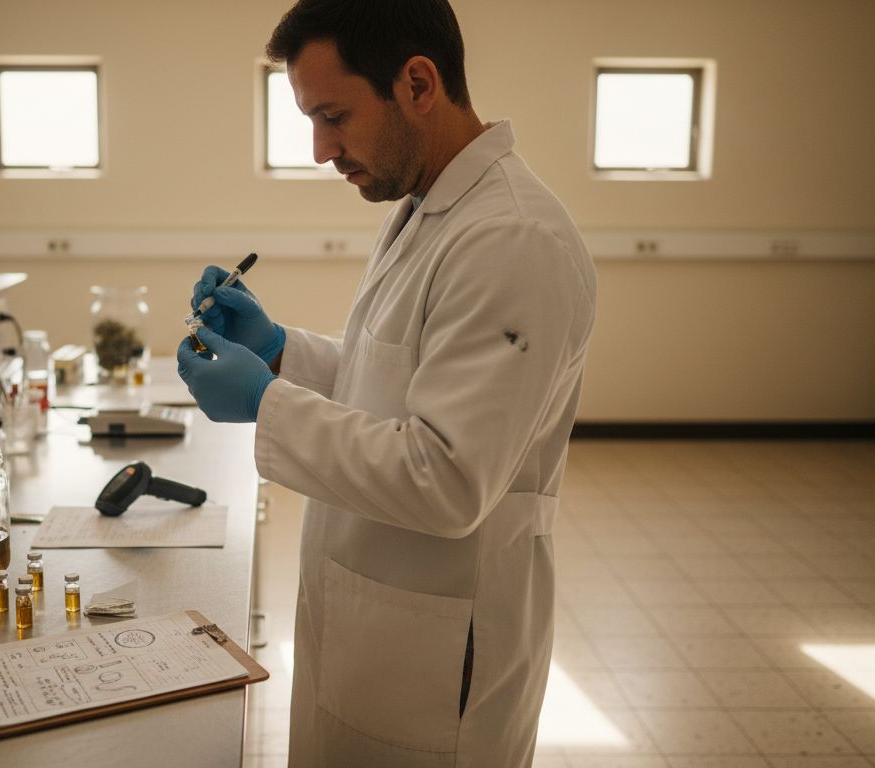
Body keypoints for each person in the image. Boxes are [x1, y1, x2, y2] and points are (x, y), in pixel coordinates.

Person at [175, 0, 596, 765]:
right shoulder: (427, 206)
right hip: (377, 623)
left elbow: (447, 478)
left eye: (333, 116)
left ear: (418, 83)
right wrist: (276, 354)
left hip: (441, 662)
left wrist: (263, 404)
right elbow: (390, 384)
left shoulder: (514, 239)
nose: (319, 149)